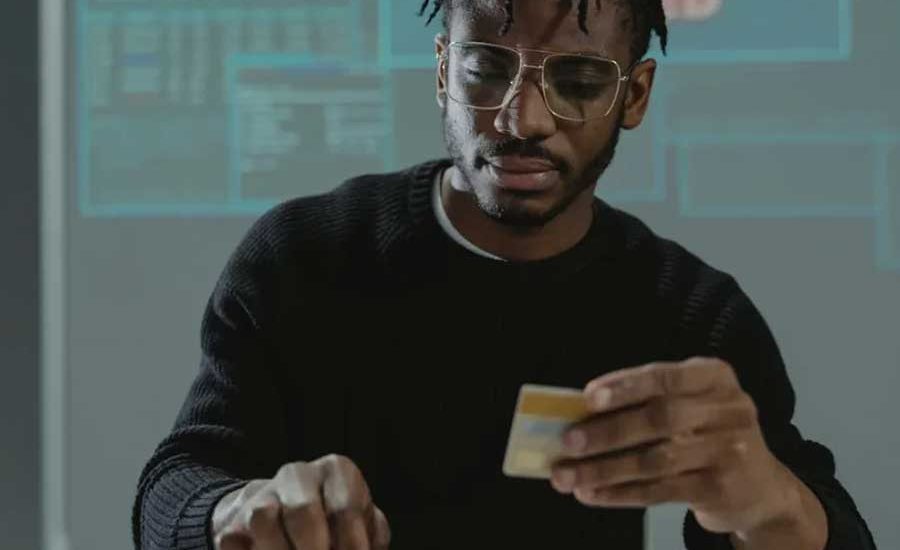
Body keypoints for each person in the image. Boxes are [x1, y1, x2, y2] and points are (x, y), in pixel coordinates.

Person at [132, 1, 877, 549]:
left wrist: (764, 501)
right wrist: (235, 512)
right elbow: (178, 482)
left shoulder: (690, 313)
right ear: (442, 72)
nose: (522, 120)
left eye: (578, 80)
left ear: (635, 96)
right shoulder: (305, 256)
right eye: (486, 69)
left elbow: (829, 528)